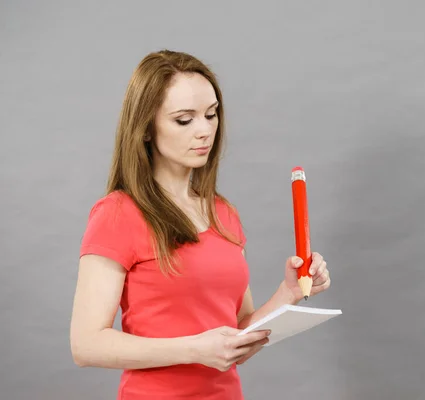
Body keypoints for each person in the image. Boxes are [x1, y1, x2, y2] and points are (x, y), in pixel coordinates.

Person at [69, 49, 332, 400]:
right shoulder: (118, 213)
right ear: (146, 129)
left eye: (211, 115)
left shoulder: (224, 215)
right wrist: (194, 349)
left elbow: (237, 335)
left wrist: (290, 293)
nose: (204, 130)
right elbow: (86, 345)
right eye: (184, 120)